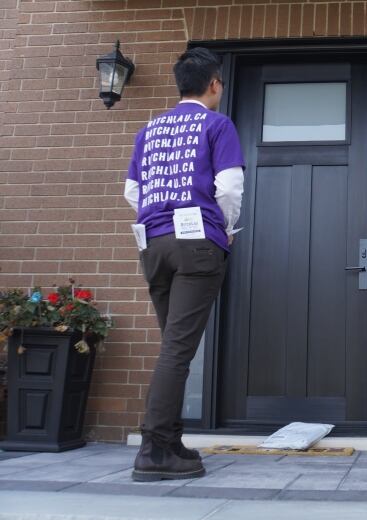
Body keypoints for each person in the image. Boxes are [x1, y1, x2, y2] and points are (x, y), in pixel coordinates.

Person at [123, 47, 244, 481]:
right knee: (178, 349)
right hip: (197, 245)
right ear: (214, 84)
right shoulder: (217, 124)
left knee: (172, 347)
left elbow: (133, 193)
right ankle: (154, 449)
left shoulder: (148, 130)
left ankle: (169, 440)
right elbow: (229, 186)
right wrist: (226, 227)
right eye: (221, 84)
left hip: (152, 245)